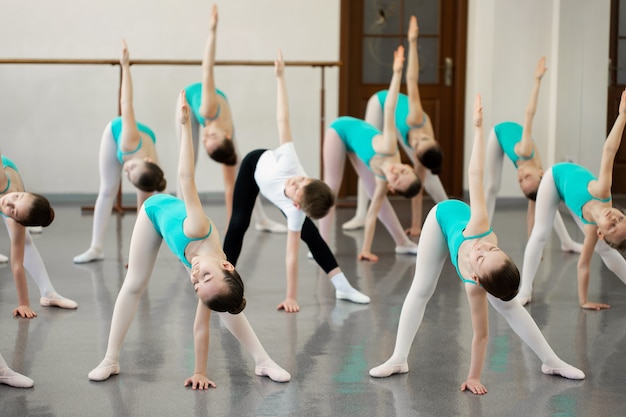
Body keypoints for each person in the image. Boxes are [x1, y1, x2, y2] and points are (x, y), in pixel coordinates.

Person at [369, 94, 584, 394]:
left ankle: (551, 360)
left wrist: (473, 377)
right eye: (494, 249)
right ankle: (398, 357)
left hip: (469, 258)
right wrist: (479, 128)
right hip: (442, 219)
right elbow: (476, 175)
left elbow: (481, 335)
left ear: (478, 278)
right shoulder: (480, 227)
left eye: (484, 257)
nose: (483, 249)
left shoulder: (474, 285)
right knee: (421, 289)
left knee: (509, 307)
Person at [88, 90, 290, 387]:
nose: (196, 277)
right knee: (134, 284)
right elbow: (185, 179)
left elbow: (200, 324)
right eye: (204, 277)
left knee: (225, 306)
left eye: (196, 284)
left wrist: (199, 372)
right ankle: (110, 358)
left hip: (187, 247)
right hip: (153, 213)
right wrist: (184, 127)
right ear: (226, 265)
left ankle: (262, 361)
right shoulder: (199, 227)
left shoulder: (206, 273)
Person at [222, 50, 370, 313]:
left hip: (277, 193)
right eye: (303, 180)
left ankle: (342, 285)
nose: (296, 181)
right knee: (239, 222)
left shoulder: (294, 212)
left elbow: (291, 256)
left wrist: (291, 296)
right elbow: (283, 119)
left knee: (310, 234)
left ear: (298, 206)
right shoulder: (290, 162)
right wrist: (280, 77)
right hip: (254, 166)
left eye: (298, 188)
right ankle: (224, 276)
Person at [177, 4, 285, 233]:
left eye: (206, 140)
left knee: (239, 173)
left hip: (213, 116)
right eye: (209, 136)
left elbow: (230, 188)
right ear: (225, 135)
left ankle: (261, 219)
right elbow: (207, 68)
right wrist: (212, 31)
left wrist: (230, 231)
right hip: (188, 101)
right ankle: (181, 216)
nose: (205, 135)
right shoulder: (208, 108)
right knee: (188, 164)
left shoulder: (224, 138)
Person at [518, 87, 626, 309]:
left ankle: (571, 241)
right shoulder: (603, 191)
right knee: (540, 233)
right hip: (555, 177)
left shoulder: (591, 232)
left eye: (612, 226)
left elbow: (583, 266)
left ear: (600, 233)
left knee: (604, 250)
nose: (614, 218)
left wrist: (584, 301)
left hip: (573, 199)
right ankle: (525, 290)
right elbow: (609, 151)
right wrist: (622, 115)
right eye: (621, 219)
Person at [343, 16, 448, 237]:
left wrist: (417, 226)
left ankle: (447, 208)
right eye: (421, 140)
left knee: (424, 176)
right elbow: (412, 80)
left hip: (398, 127)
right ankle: (362, 213)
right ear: (433, 139)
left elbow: (416, 188)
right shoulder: (416, 118)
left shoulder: (421, 153)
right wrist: (412, 41)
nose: (417, 141)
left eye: (416, 146)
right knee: (368, 160)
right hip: (381, 103)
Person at [319, 46, 421, 262]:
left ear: (392, 187)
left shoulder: (384, 181)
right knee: (331, 187)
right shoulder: (389, 146)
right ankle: (322, 244)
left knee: (377, 200)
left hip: (359, 148)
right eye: (403, 169)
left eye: (397, 178)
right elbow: (390, 108)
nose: (396, 170)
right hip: (339, 130)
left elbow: (371, 216)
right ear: (407, 164)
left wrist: (364, 249)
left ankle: (402, 242)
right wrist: (396, 73)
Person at [73, 40, 167, 264]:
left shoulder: (149, 176)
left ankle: (134, 253)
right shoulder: (129, 140)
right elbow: (127, 102)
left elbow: (144, 220)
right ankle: (96, 247)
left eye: (129, 176)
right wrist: (125, 65)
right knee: (107, 189)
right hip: (116, 134)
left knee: (143, 210)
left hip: (140, 151)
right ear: (145, 160)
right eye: (131, 168)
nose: (126, 169)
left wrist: (137, 258)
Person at [484, 56, 582, 252]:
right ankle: (482, 232)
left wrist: (532, 246)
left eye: (520, 181)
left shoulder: (537, 173)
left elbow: (532, 212)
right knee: (493, 186)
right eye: (525, 176)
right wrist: (537, 80)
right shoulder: (524, 149)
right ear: (540, 173)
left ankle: (566, 241)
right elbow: (529, 113)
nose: (519, 176)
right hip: (498, 134)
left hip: (514, 147)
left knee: (545, 198)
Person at [0, 151, 77, 318]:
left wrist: (23, 304)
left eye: (13, 210)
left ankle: (48, 293)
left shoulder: (17, 216)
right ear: (26, 193)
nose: (8, 201)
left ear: (17, 220)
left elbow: (17, 264)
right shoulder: (4, 184)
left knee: (23, 242)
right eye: (16, 197)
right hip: (4, 172)